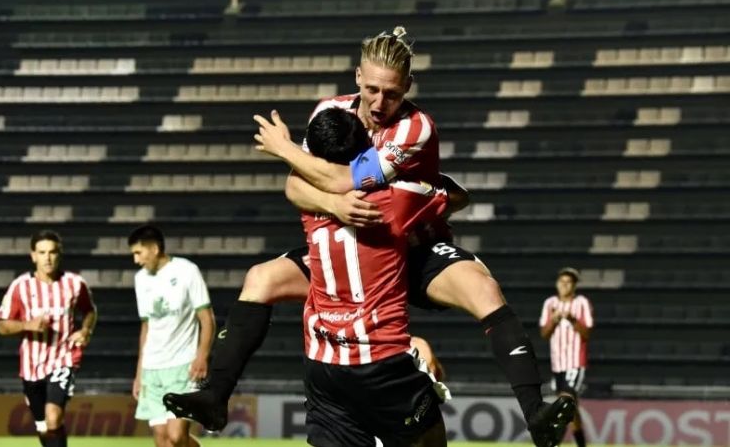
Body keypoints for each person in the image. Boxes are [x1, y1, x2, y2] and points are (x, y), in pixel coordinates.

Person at [165, 26, 573, 447]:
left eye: (392, 94)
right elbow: (296, 186)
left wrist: (288, 151)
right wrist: (334, 204)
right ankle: (215, 395)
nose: (380, 103)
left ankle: (535, 413)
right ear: (357, 76)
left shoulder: (415, 128)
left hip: (414, 247)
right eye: (373, 89)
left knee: (485, 290)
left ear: (408, 88)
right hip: (358, 246)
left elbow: (345, 177)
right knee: (260, 279)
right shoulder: (331, 112)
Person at [305, 108, 451, 446]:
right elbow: (450, 196)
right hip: (379, 356)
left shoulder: (307, 201)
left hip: (323, 359)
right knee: (430, 438)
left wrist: (285, 148)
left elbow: (296, 183)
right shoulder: (393, 199)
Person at [0, 230, 97, 447]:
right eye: (42, 252)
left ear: (60, 254)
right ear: (33, 255)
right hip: (31, 365)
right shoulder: (20, 286)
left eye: (52, 252)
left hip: (63, 358)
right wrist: (27, 325)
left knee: (53, 417)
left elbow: (89, 310)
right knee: (43, 426)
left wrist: (86, 330)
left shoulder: (74, 283)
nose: (48, 258)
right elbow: (2, 326)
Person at [129, 225, 215, 447]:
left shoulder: (187, 271)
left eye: (138, 253)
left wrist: (202, 356)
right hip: (152, 369)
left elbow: (207, 319)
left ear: (155, 248)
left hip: (183, 366)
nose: (136, 260)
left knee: (176, 437)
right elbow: (146, 327)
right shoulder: (140, 279)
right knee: (162, 440)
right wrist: (139, 373)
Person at [540, 268, 594, 447]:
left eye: (568, 282)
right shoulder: (550, 303)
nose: (563, 285)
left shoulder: (581, 303)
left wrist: (572, 320)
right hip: (558, 364)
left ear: (574, 286)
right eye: (561, 281)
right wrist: (554, 321)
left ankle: (553, 443)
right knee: (571, 409)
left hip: (575, 363)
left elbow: (586, 333)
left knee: (564, 401)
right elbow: (544, 334)